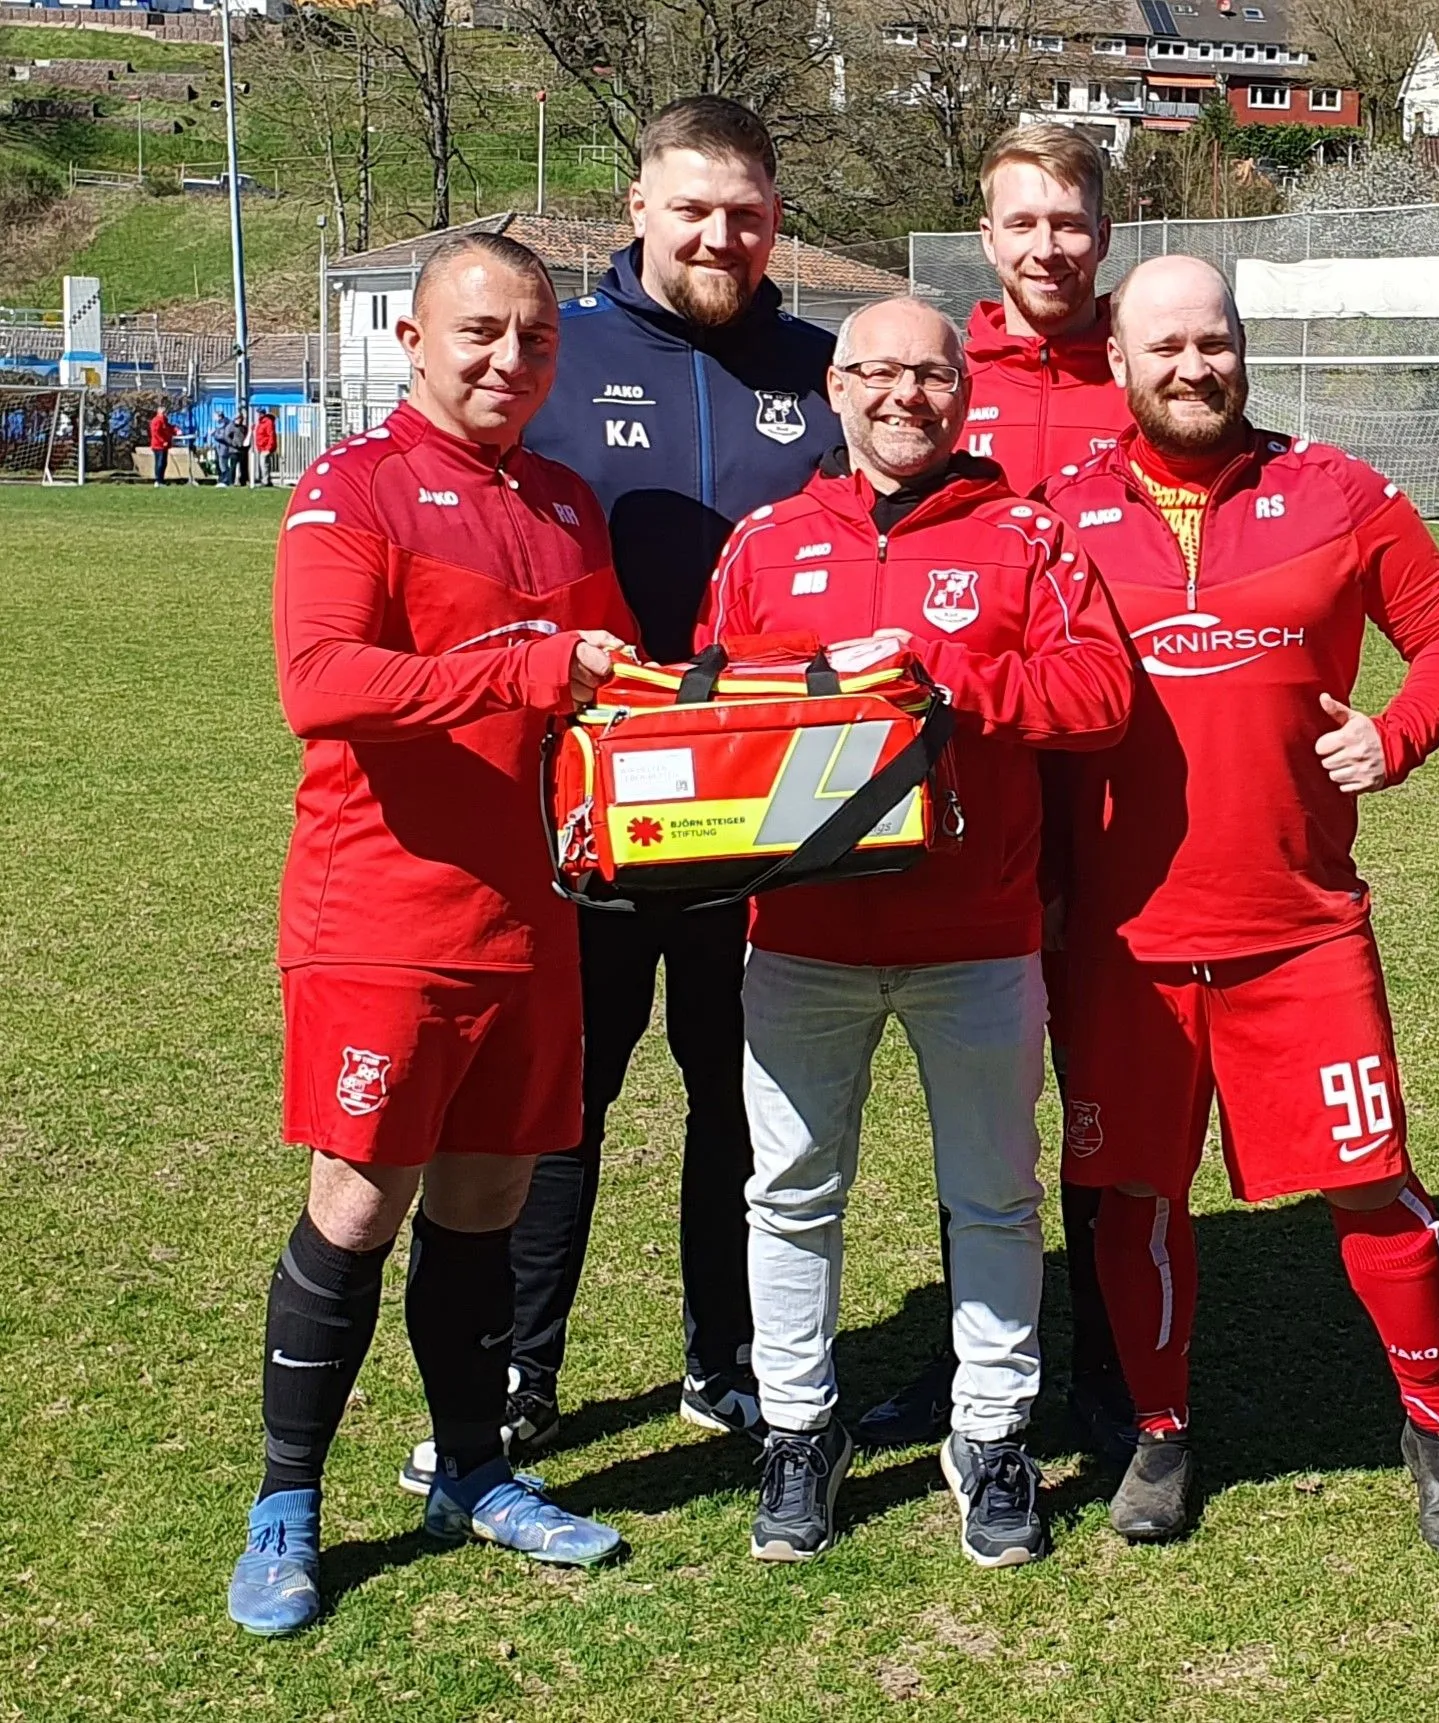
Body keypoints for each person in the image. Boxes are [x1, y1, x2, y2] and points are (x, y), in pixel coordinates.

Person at [398, 96, 841, 1491]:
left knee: (742, 1094)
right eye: (693, 207)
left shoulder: (822, 372)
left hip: (760, 823)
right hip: (580, 814)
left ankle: (730, 1352)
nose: (721, 234)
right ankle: (526, 1371)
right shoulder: (556, 356)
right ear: (634, 208)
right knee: (559, 1099)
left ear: (775, 220)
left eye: (747, 212)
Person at [1042, 255, 1439, 1556]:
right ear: (1116, 364)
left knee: (1372, 1186)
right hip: (1124, 948)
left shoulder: (1339, 492)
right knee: (1132, 1194)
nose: (1194, 366)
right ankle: (1161, 1430)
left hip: (1301, 929)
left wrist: (1397, 734)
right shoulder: (1057, 513)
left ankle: (1436, 1429)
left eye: (1215, 339)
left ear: (1241, 346)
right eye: (1165, 346)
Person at [226, 231, 639, 1638]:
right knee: (360, 1200)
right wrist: (523, 664)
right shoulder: (354, 486)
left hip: (533, 916)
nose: (505, 359)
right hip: (386, 916)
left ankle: (472, 1467)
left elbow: (615, 698)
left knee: (487, 1203)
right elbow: (319, 680)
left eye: (531, 337)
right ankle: (287, 1501)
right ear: (411, 339)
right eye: (478, 332)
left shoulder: (568, 504)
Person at [699, 296, 1134, 1567]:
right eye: (879, 372)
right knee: (787, 1193)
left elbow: (1100, 693)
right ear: (835, 388)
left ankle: (987, 1433)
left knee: (994, 1198)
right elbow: (707, 714)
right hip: (802, 938)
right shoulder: (766, 541)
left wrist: (947, 684)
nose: (906, 396)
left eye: (932, 374)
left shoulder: (1026, 535)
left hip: (977, 935)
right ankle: (797, 1425)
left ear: (964, 394)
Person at [857, 122, 1137, 1466]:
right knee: (979, 1089)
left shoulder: (1139, 370)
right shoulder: (939, 375)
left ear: (1102, 230)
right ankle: (969, 1346)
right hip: (960, 798)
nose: (1046, 245)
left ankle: (1113, 1356)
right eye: (1021, 221)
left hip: (1112, 783)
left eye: (1068, 221)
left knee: (1100, 1078)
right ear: (986, 232)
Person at [211, 411, 239, 487]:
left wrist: (214, 434)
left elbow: (223, 436)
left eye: (215, 416)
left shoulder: (225, 424)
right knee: (221, 464)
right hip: (220, 447)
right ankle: (224, 480)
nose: (214, 418)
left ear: (219, 416)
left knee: (223, 465)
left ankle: (226, 480)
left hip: (224, 448)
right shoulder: (221, 424)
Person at [148, 405, 174, 485]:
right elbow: (155, 433)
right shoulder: (156, 421)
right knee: (159, 462)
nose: (165, 413)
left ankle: (161, 480)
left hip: (164, 445)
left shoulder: (164, 420)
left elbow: (169, 428)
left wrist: (176, 430)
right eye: (163, 412)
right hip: (158, 445)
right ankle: (158, 480)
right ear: (159, 412)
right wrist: (162, 441)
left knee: (164, 463)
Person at [253, 407, 279, 487]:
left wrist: (269, 448)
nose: (257, 415)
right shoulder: (261, 423)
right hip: (261, 447)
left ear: (261, 414)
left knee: (264, 464)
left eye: (258, 413)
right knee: (265, 464)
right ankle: (267, 480)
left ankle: (265, 481)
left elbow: (271, 436)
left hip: (266, 448)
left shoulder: (268, 422)